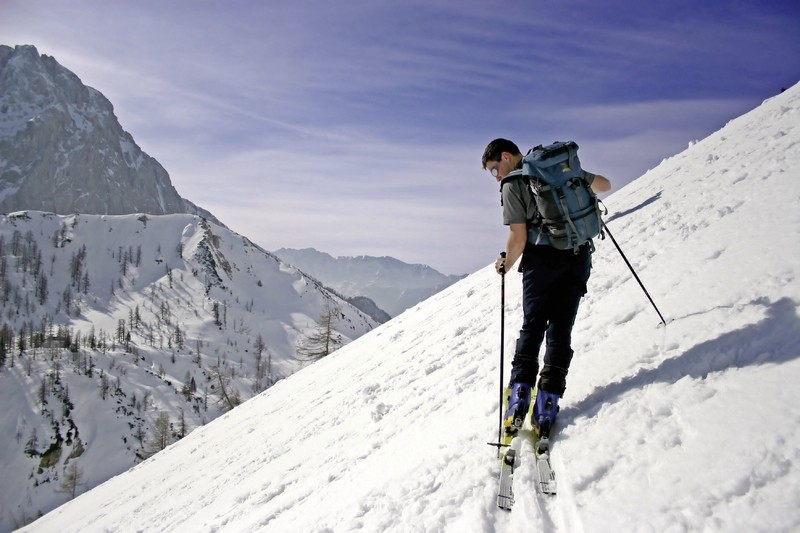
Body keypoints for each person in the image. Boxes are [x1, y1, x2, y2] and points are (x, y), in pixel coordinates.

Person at [482, 138, 611, 436]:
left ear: (505, 156)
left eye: (494, 169)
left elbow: (519, 237)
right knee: (561, 329)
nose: (497, 176)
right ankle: (548, 403)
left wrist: (506, 264)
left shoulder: (513, 182)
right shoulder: (557, 169)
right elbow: (604, 184)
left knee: (533, 326)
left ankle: (520, 397)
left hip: (542, 263)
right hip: (578, 258)